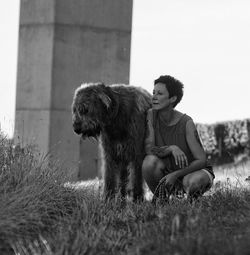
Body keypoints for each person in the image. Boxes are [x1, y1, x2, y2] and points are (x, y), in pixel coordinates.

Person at [142, 75, 215, 201]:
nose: (154, 97)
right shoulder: (151, 116)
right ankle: (162, 200)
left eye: (159, 94)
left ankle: (192, 201)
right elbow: (149, 148)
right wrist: (171, 148)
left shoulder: (187, 123)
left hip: (194, 171)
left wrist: (176, 174)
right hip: (167, 170)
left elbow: (201, 160)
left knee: (192, 182)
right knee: (149, 162)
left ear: (172, 98)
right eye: (153, 92)